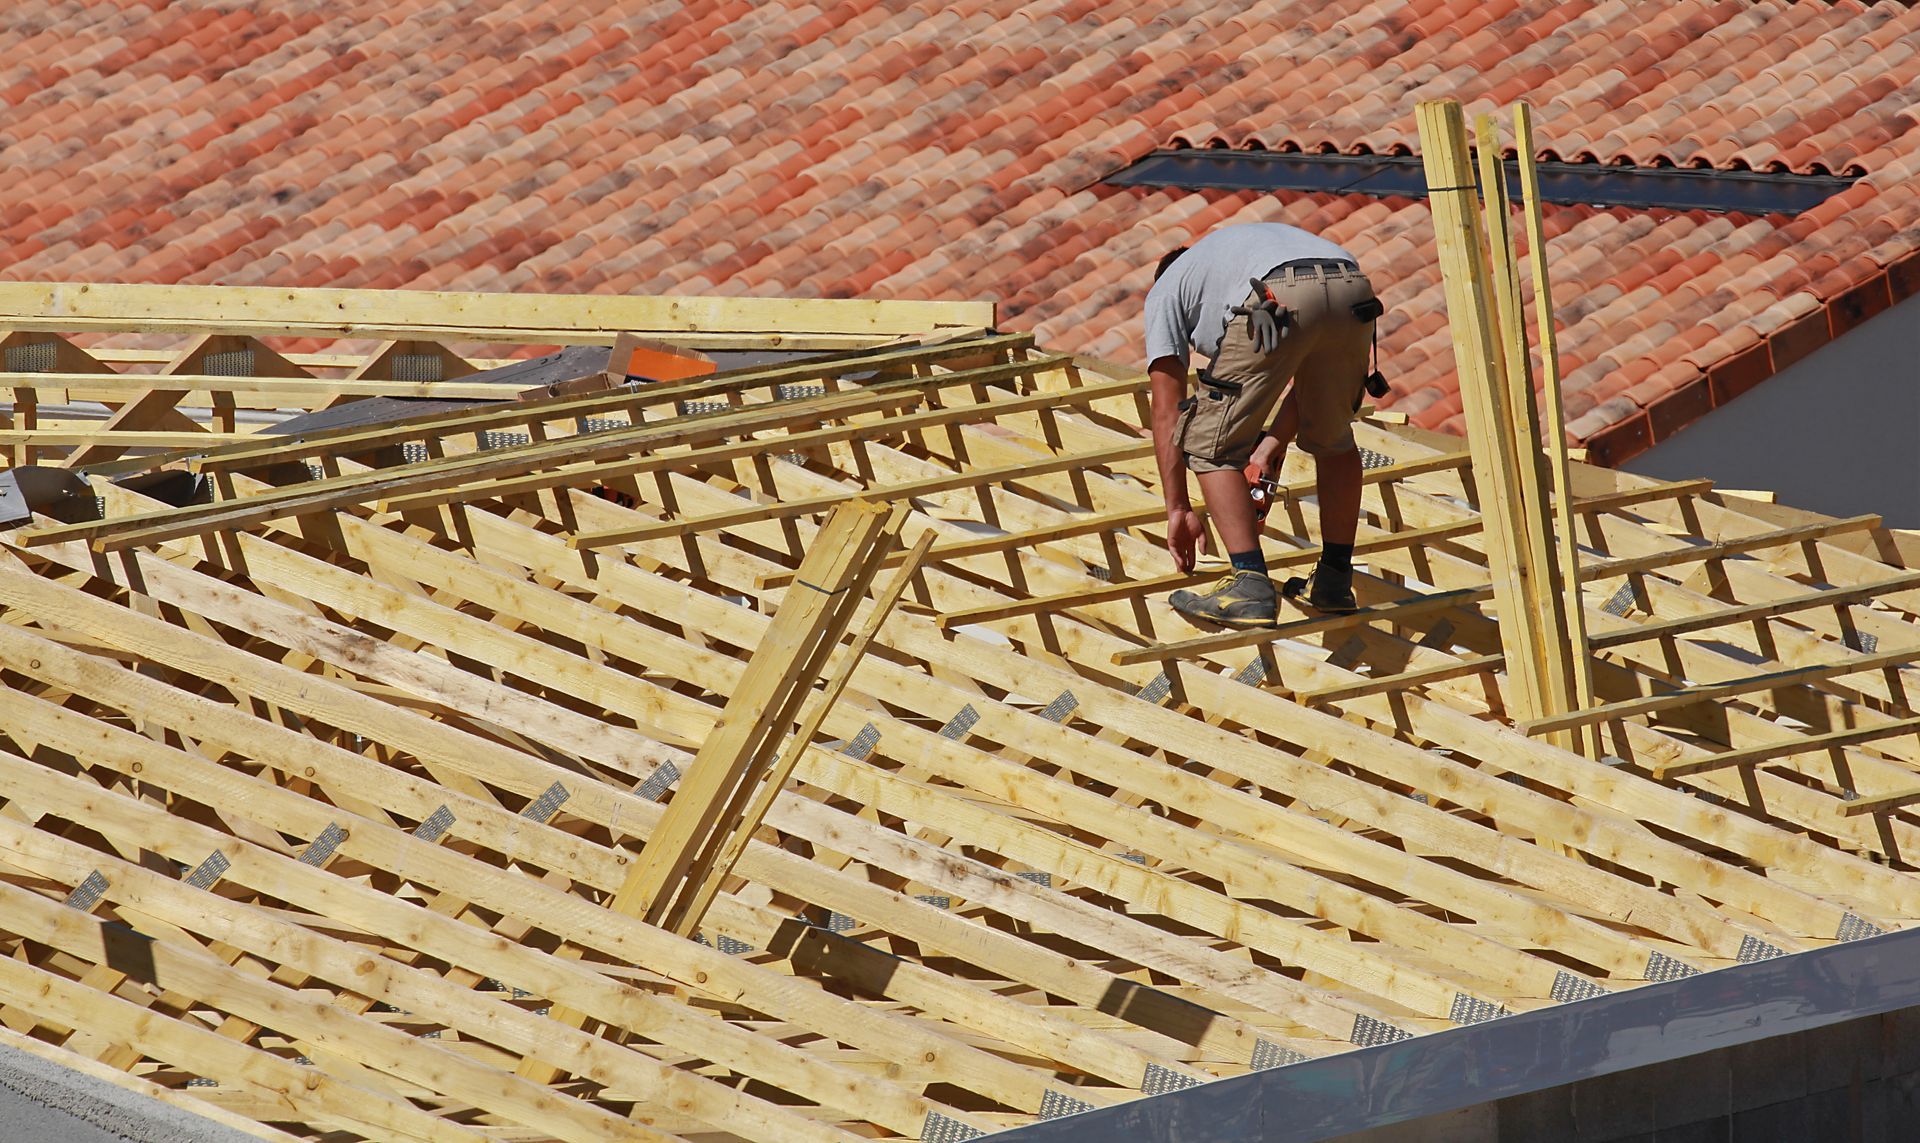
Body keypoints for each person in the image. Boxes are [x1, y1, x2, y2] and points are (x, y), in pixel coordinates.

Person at [1143, 222, 1381, 627]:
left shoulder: (1166, 291)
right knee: (1334, 438)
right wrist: (1270, 444)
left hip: (1277, 291)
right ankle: (1334, 581)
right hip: (1353, 284)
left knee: (1207, 445)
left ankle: (1250, 584)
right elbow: (1304, 381)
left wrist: (1179, 507)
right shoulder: (1231, 256)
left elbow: (1168, 410)